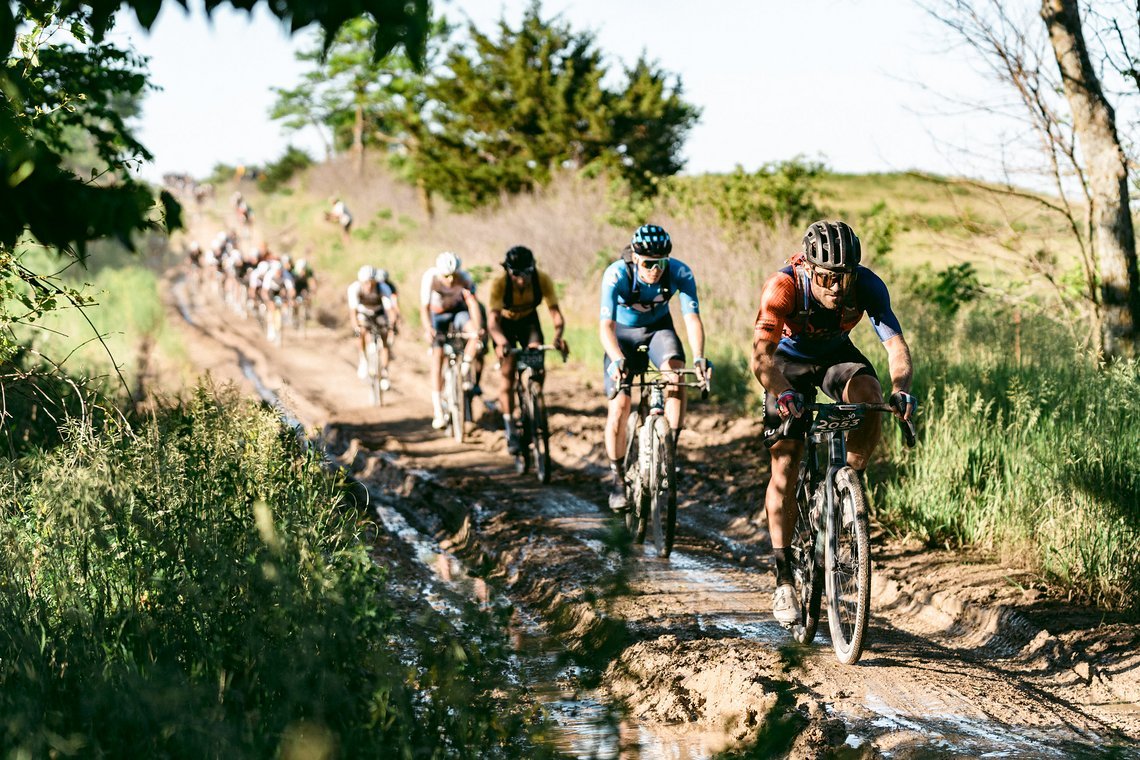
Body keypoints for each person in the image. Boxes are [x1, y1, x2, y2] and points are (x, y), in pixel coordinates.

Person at [751, 219, 917, 626]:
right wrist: (783, 392)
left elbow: (895, 345)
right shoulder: (783, 286)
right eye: (827, 277)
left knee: (871, 399)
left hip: (836, 355)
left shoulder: (867, 285)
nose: (837, 288)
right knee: (786, 468)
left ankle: (847, 486)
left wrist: (902, 388)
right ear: (808, 267)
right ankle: (784, 580)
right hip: (786, 364)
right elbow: (761, 358)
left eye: (845, 277)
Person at [599, 224, 709, 512]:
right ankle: (617, 479)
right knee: (620, 405)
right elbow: (605, 326)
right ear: (635, 258)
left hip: (659, 330)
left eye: (661, 262)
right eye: (648, 263)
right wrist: (616, 358)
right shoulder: (616, 274)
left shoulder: (679, 272)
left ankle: (669, 450)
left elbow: (692, 319)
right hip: (621, 336)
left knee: (676, 374)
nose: (655, 269)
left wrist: (699, 357)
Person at [487, 245, 569, 454]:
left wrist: (558, 337)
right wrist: (501, 342)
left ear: (533, 269)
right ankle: (510, 428)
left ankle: (534, 398)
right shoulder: (499, 283)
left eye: (526, 273)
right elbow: (493, 321)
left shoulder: (542, 279)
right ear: (508, 271)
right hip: (504, 325)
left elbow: (556, 315)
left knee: (537, 362)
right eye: (516, 274)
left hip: (529, 323)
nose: (522, 279)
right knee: (508, 375)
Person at [420, 252, 483, 430]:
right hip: (437, 316)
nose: (450, 279)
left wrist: (477, 328)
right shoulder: (430, 278)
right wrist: (428, 328)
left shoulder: (464, 278)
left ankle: (465, 369)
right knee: (437, 357)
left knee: (473, 334)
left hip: (458, 312)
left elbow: (473, 304)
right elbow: (424, 308)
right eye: (446, 276)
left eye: (453, 275)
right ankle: (438, 410)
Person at [348, 265, 397, 389]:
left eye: (372, 283)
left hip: (379, 313)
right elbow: (353, 313)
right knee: (361, 331)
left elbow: (390, 310)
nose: (369, 286)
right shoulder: (354, 288)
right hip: (363, 313)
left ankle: (385, 373)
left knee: (385, 337)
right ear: (361, 282)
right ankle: (363, 360)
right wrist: (356, 328)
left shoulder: (383, 288)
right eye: (366, 283)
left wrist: (392, 325)